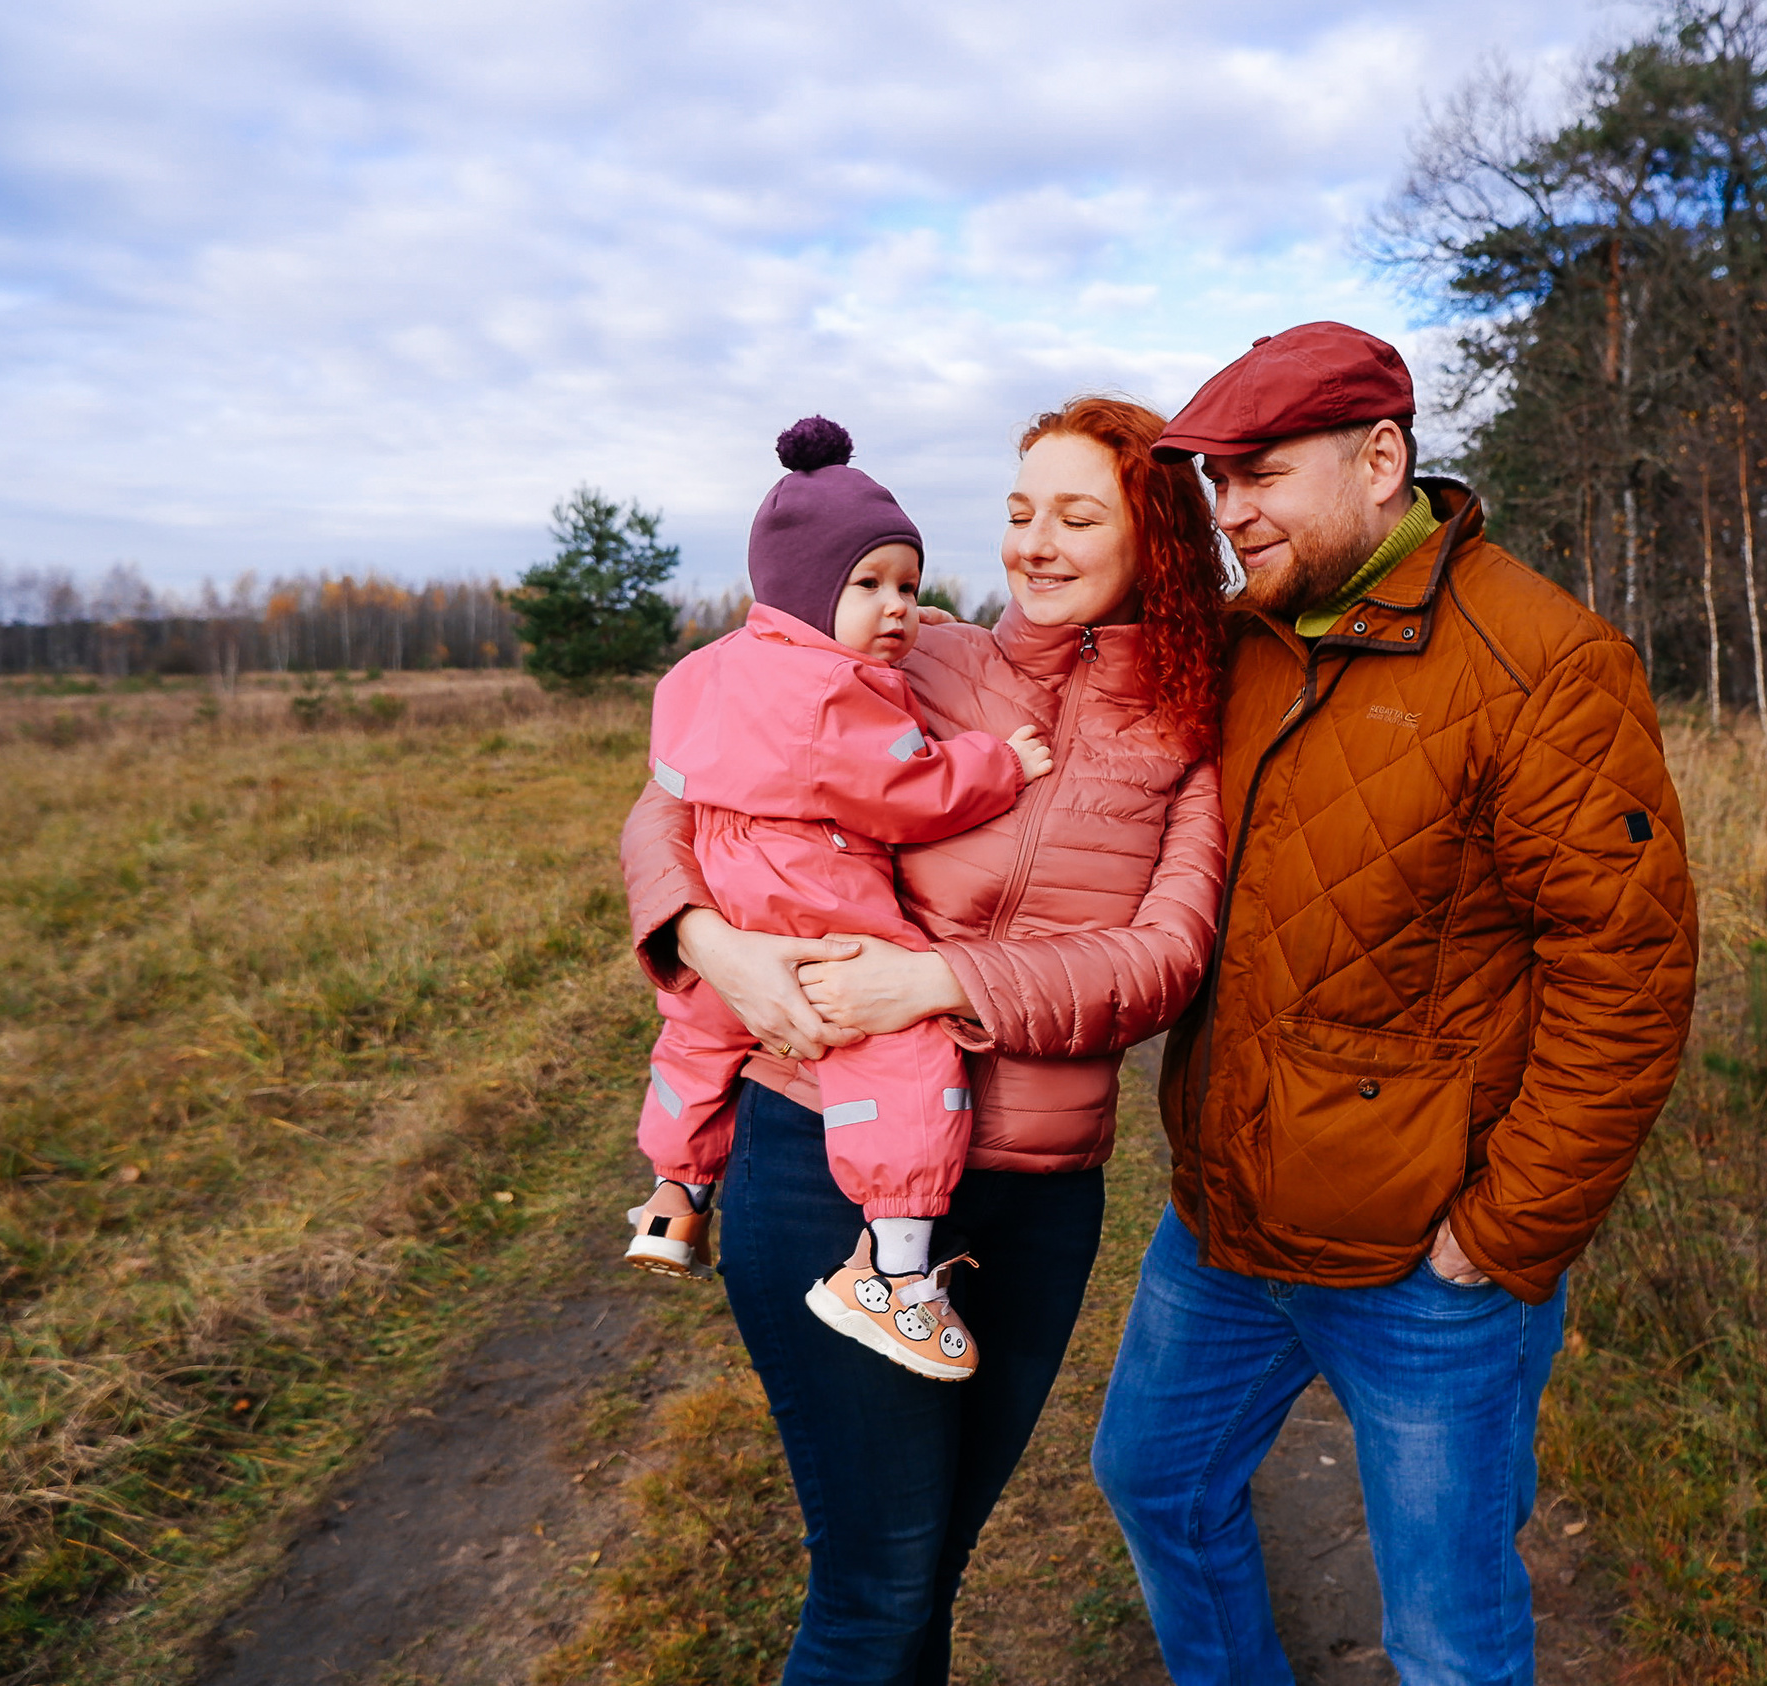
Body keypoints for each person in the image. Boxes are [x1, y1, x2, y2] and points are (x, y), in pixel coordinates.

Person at [1089, 321, 1699, 1686]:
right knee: (1154, 1477)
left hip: (1422, 1268)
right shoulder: (1246, 639)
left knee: (1446, 1634)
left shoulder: (1543, 662)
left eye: (1259, 474)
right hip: (1224, 1220)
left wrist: (1504, 1230)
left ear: (1379, 461)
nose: (1229, 510)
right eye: (1216, 481)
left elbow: (1628, 974)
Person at [618, 395, 1229, 1683]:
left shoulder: (1187, 727)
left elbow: (1164, 961)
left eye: (1076, 516)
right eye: (1018, 512)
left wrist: (932, 982)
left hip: (1035, 1201)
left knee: (928, 1568)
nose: (1033, 544)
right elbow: (678, 799)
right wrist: (711, 943)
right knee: (877, 1586)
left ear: (1155, 539)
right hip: (821, 1152)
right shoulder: (918, 657)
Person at [622, 416, 1055, 1382]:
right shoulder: (835, 694)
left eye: (908, 585)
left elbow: (672, 778)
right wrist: (997, 762)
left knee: (698, 1038)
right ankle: (893, 1272)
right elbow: (905, 789)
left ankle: (674, 1196)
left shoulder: (713, 669)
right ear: (808, 592)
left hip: (723, 879)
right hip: (808, 888)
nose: (897, 607)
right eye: (868, 586)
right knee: (902, 1048)